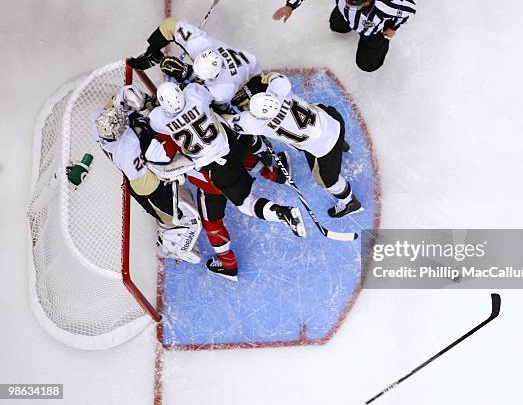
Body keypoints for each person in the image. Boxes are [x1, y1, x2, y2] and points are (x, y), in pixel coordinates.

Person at [148, 81, 307, 279]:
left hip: (213, 177)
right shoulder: (194, 94)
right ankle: (275, 173)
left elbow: (156, 145)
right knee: (246, 154)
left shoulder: (159, 122)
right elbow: (206, 93)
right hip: (232, 147)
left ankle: (228, 263)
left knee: (214, 221)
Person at [91, 84, 202, 264]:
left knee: (161, 209)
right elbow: (151, 173)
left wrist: (122, 98)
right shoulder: (128, 147)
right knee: (167, 215)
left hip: (134, 178)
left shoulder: (97, 122)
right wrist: (167, 175)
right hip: (146, 186)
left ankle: (169, 238)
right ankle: (175, 245)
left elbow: (110, 106)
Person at [230, 72, 363, 218]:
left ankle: (349, 201)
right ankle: (341, 144)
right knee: (320, 117)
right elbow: (272, 77)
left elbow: (229, 122)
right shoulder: (281, 88)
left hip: (326, 146)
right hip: (332, 117)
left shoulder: (255, 124)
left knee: (326, 180)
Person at [273, 0, 416, 72]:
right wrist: (290, 5)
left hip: (371, 31)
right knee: (336, 26)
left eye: (352, 3)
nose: (347, 3)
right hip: (344, 17)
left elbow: (409, 9)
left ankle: (380, 43)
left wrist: (393, 28)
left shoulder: (385, 7)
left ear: (367, 1)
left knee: (367, 65)